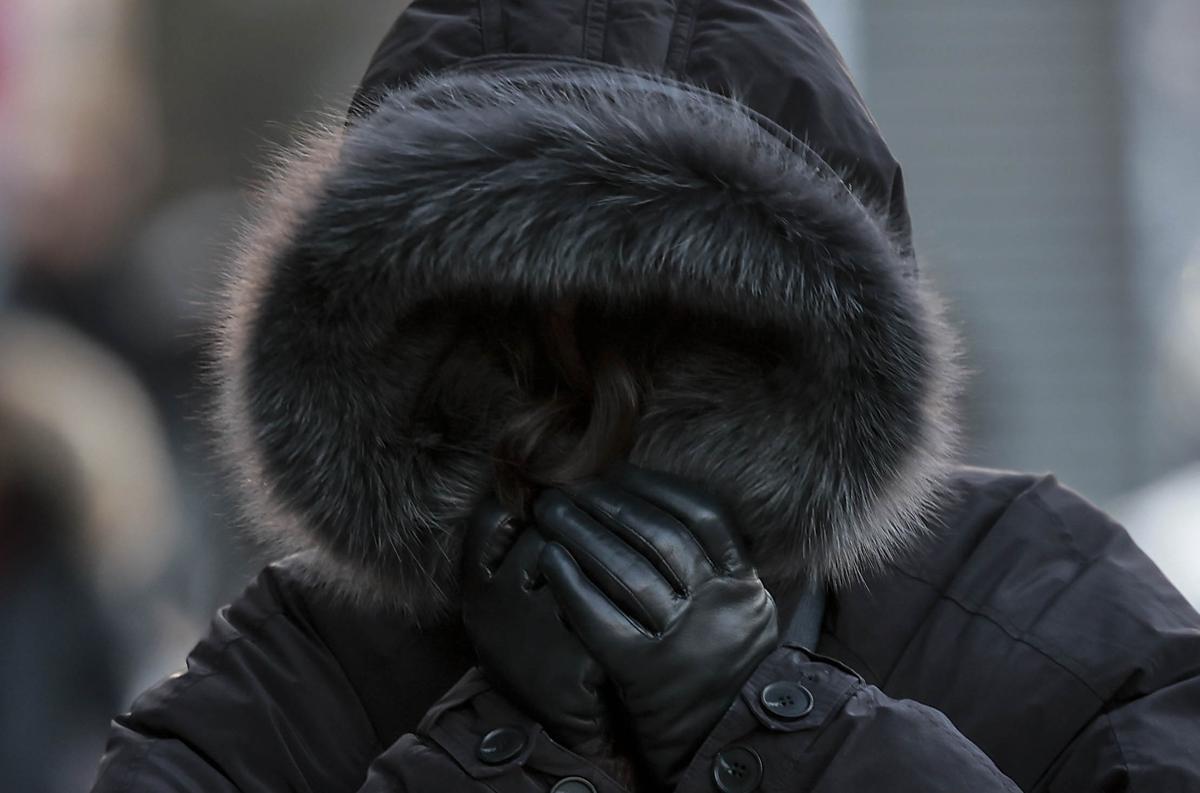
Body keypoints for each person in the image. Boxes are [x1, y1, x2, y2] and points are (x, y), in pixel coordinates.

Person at [91, 1, 1200, 791]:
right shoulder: (310, 665)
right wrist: (504, 748)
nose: (587, 402)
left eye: (676, 338)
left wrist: (774, 724)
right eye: (502, 337)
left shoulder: (1034, 594)